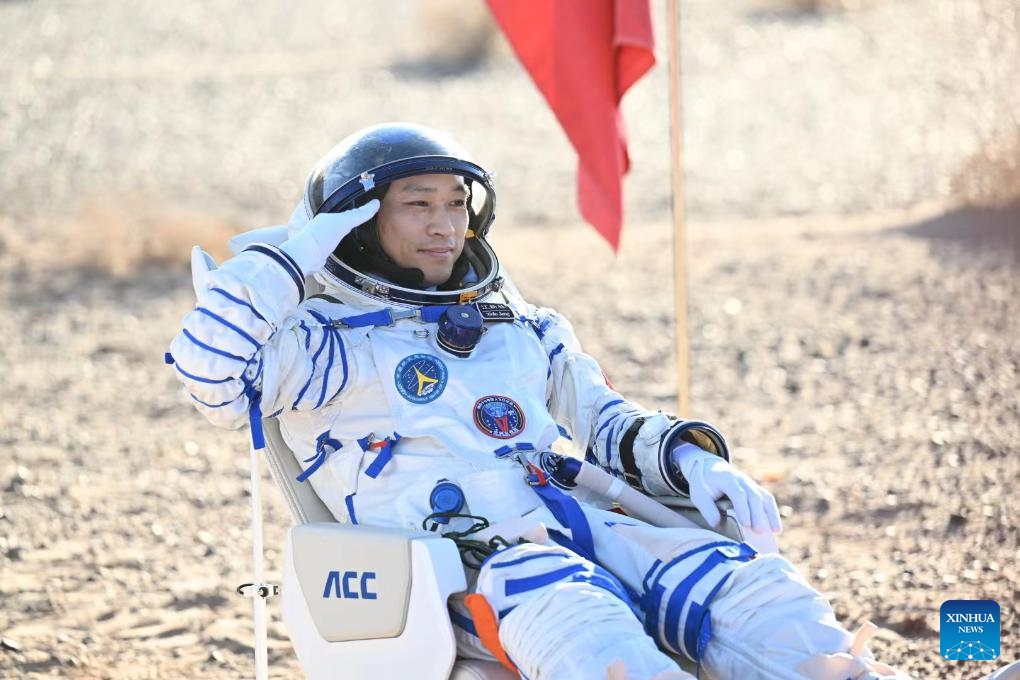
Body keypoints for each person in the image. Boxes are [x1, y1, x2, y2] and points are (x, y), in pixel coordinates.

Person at [168, 122, 909, 679]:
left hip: (594, 524)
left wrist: (689, 462)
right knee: (584, 620)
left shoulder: (515, 323)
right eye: (417, 205)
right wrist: (292, 260)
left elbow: (606, 422)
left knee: (754, 596)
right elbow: (209, 375)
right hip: (466, 569)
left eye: (457, 203)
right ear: (357, 223)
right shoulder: (324, 346)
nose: (444, 224)